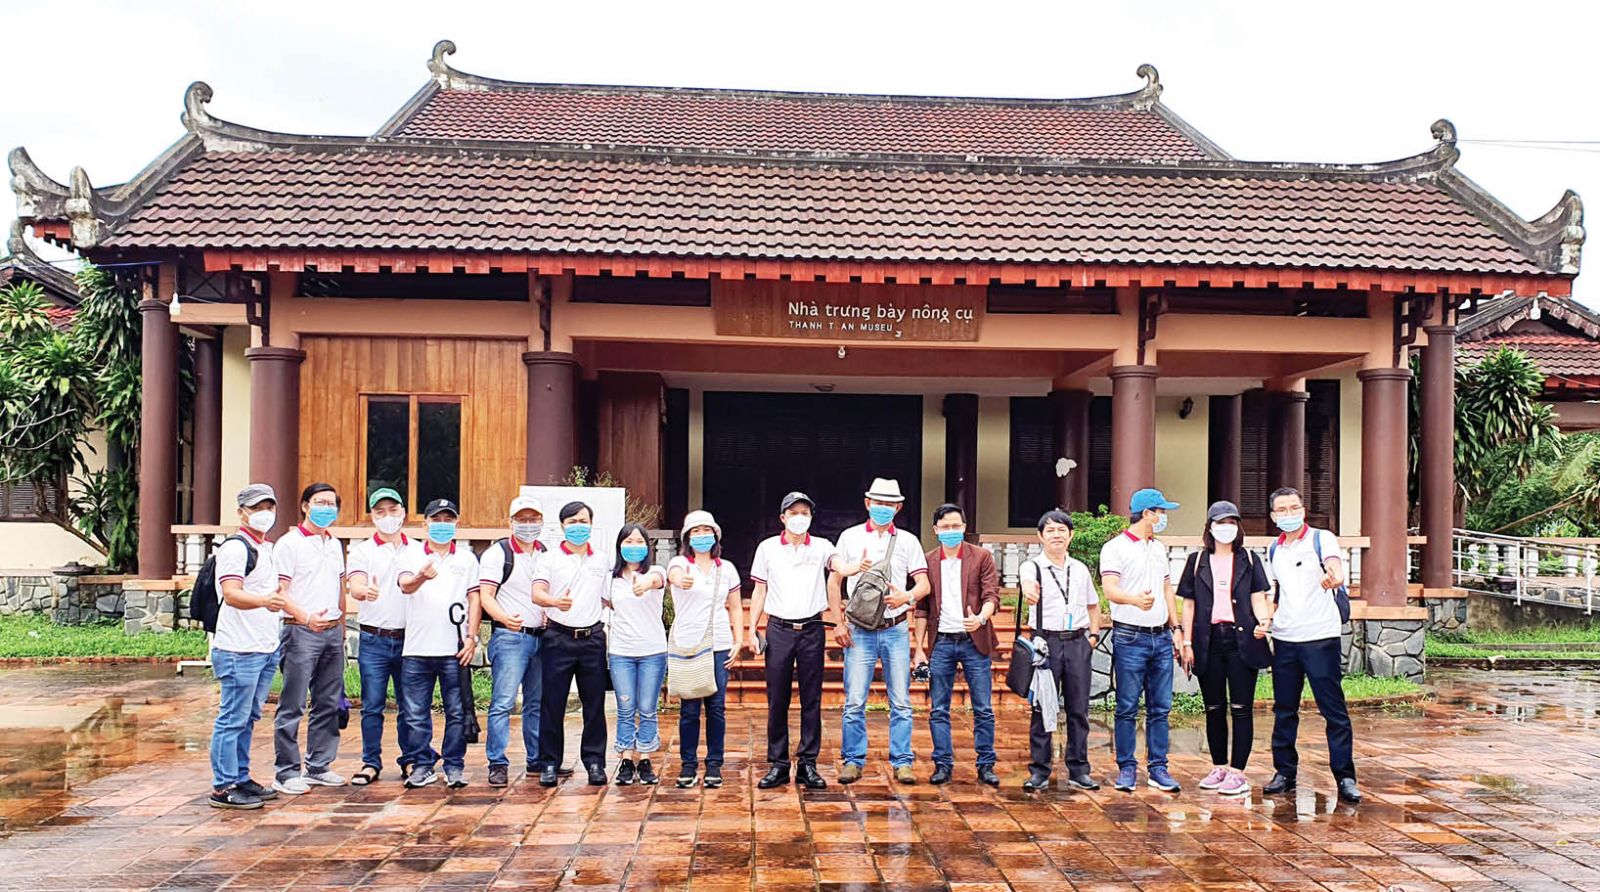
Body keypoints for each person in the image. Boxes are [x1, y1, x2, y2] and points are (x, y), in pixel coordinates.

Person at [1262, 487, 1361, 804]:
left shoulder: (1322, 538)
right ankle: (1284, 772)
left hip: (1320, 636)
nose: (1289, 514)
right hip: (1285, 637)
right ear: (1274, 516)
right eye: (1282, 510)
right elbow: (1275, 592)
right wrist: (1265, 621)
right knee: (1284, 710)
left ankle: (1345, 777)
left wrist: (1335, 576)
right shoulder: (1274, 550)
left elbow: (1335, 567)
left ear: (1303, 510)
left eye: (1294, 508)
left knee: (1333, 710)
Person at [828, 477, 930, 785]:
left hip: (895, 629)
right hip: (858, 631)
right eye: (878, 503)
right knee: (854, 700)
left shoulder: (909, 541)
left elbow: (924, 584)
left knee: (901, 701)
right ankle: (853, 760)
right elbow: (834, 581)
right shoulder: (849, 537)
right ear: (867, 503)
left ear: (898, 508)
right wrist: (838, 622)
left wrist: (906, 597)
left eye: (889, 504)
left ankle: (902, 761)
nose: (883, 508)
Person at [1178, 501, 1272, 798]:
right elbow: (1189, 605)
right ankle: (1218, 766)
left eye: (1231, 522)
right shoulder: (1196, 560)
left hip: (1241, 640)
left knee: (1241, 709)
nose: (1226, 528)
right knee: (1214, 708)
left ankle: (1238, 772)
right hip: (1207, 641)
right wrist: (1187, 642)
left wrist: (1264, 620)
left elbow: (1258, 597)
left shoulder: (1250, 560)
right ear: (1210, 527)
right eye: (1220, 523)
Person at [209, 484, 290, 809]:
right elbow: (231, 593)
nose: (264, 514)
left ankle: (241, 777)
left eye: (269, 507)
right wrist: (264, 601)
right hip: (238, 649)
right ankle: (223, 786)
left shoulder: (265, 547)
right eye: (257, 508)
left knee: (248, 717)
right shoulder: (236, 548)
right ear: (241, 512)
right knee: (232, 718)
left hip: (264, 646)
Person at [1100, 487, 1185, 793]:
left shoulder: (1158, 548)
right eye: (1161, 512)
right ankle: (1126, 768)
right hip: (1130, 636)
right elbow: (1110, 589)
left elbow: (1166, 589)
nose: (1164, 517)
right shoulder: (1115, 548)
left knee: (1160, 707)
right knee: (1126, 705)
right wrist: (1134, 600)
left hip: (1160, 636)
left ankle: (1158, 768)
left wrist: (1176, 628)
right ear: (1147, 514)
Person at [748, 491, 832, 791]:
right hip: (779, 629)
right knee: (777, 698)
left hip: (812, 628)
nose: (799, 518)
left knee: (812, 698)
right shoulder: (767, 548)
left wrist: (855, 566)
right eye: (793, 513)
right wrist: (751, 628)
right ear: (783, 517)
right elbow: (759, 590)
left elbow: (839, 566)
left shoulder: (822, 546)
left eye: (804, 513)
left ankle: (808, 763)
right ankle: (779, 764)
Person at [395, 498, 481, 789]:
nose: (442, 525)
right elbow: (405, 586)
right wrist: (421, 576)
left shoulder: (467, 559)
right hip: (417, 649)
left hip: (454, 650)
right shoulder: (410, 554)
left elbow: (474, 598)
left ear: (456, 523)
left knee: (457, 711)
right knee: (415, 713)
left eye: (448, 520)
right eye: (436, 520)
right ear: (425, 524)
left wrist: (471, 637)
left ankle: (454, 765)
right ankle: (422, 764)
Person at [270, 482, 349, 796]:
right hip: (300, 631)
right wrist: (305, 618)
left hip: (331, 632)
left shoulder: (334, 544)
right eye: (320, 502)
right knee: (293, 703)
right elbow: (280, 592)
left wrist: (341, 624)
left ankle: (318, 765)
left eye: (331, 504)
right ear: (305, 506)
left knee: (327, 702)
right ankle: (286, 772)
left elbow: (339, 587)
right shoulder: (289, 544)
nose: (326, 508)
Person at [916, 503, 1000, 786]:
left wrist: (981, 618)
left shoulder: (981, 557)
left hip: (974, 640)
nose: (951, 531)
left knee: (983, 707)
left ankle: (986, 764)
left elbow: (991, 595)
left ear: (964, 527)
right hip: (941, 642)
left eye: (956, 526)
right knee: (939, 708)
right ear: (935, 530)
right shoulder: (928, 561)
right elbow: (921, 609)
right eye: (945, 527)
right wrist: (919, 649)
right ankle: (942, 764)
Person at [1020, 509, 1103, 792]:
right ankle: (1039, 770)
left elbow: (1093, 605)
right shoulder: (1032, 567)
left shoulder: (1079, 569)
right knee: (1042, 707)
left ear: (1071, 535)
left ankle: (1079, 770)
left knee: (1079, 709)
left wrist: (1093, 636)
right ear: (1040, 536)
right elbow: (1027, 584)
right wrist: (1029, 590)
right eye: (1050, 530)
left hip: (1078, 642)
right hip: (1046, 643)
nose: (1056, 535)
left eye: (1061, 530)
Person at [533, 501, 613, 787]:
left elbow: (609, 595)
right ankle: (549, 763)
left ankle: (594, 762)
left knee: (594, 704)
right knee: (552, 703)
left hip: (592, 639)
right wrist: (555, 602)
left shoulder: (601, 559)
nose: (578, 527)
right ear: (562, 526)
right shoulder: (549, 558)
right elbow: (537, 593)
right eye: (572, 522)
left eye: (583, 521)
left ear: (591, 524)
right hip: (558, 637)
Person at [667, 510, 744, 789]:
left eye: (707, 530)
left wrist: (738, 641)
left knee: (716, 708)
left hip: (719, 643)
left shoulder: (727, 568)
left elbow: (735, 607)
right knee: (689, 708)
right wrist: (679, 580)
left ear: (715, 535)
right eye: (696, 531)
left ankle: (714, 764)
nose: (702, 536)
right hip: (689, 644)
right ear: (687, 537)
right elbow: (673, 574)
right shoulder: (680, 563)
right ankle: (688, 764)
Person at [477, 490, 548, 788]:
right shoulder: (498, 554)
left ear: (541, 521)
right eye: (522, 519)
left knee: (537, 702)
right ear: (510, 522)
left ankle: (537, 759)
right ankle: (497, 761)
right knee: (503, 702)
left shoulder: (546, 553)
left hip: (542, 639)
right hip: (510, 638)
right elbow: (486, 596)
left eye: (533, 519)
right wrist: (505, 618)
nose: (528, 525)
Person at [345, 486, 415, 786]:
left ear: (403, 513)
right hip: (374, 639)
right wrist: (365, 592)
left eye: (393, 510)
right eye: (380, 511)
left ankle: (410, 759)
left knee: (409, 705)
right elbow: (355, 585)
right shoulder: (362, 551)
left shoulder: (417, 549)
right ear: (372, 516)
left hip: (410, 639)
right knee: (372, 705)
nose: (387, 516)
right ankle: (370, 762)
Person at [607, 523, 668, 786]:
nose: (634, 546)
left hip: (652, 652)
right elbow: (604, 603)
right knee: (625, 708)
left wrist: (644, 583)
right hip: (621, 652)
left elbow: (655, 581)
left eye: (639, 541)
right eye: (628, 541)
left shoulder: (655, 572)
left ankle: (644, 759)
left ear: (647, 546)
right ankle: (626, 759)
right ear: (620, 546)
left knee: (647, 708)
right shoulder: (611, 579)